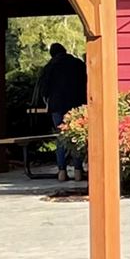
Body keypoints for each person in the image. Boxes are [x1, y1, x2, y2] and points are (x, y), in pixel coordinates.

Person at [34, 43, 89, 180]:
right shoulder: (77, 64)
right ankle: (77, 170)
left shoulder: (49, 67)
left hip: (57, 106)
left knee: (61, 136)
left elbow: (44, 90)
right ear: (65, 50)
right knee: (75, 136)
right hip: (76, 104)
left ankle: (61, 171)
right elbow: (86, 82)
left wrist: (48, 102)